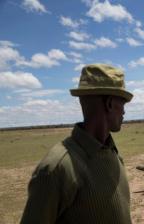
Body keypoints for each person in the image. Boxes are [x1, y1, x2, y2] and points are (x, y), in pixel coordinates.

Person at [20, 64, 133, 224]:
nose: (124, 112)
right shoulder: (56, 169)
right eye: (123, 103)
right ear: (109, 103)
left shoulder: (111, 153)